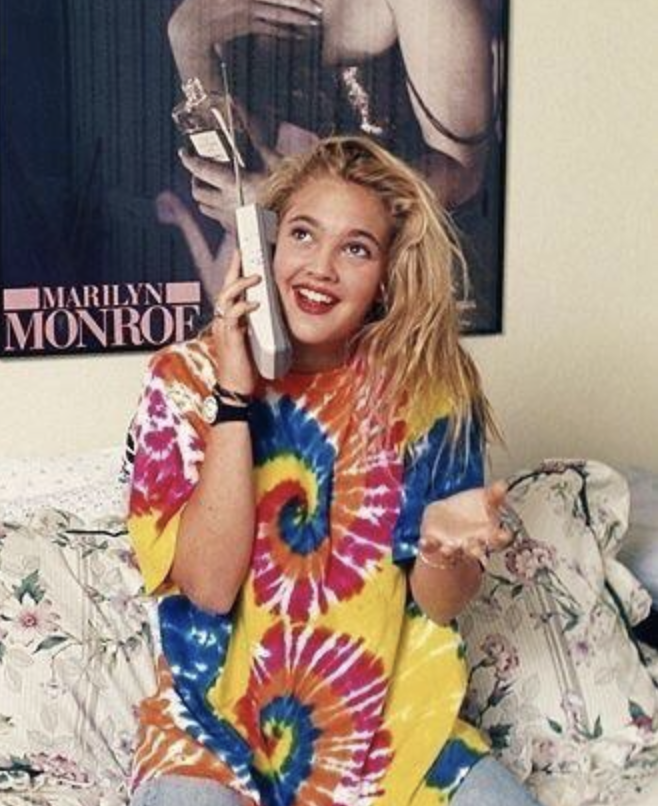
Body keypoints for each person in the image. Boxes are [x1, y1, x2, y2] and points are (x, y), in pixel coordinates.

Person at [125, 137, 541, 806]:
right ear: (264, 246)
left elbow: (441, 599)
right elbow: (206, 586)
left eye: (356, 248)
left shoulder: (431, 389)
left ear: (386, 275)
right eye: (302, 234)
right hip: (211, 739)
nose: (320, 268)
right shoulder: (182, 380)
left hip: (395, 734)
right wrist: (234, 397)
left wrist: (443, 550)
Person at [162, 0, 502, 328]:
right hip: (298, 275)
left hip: (412, 283)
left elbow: (462, 174)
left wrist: (293, 206)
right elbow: (235, 156)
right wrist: (190, 44)